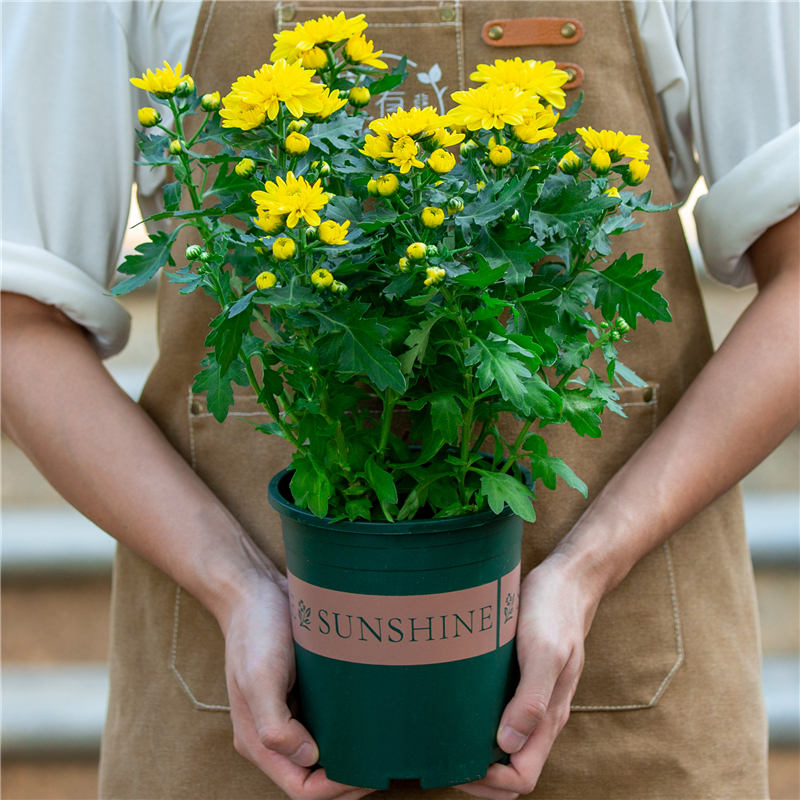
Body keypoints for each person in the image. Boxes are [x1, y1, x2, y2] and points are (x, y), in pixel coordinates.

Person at [2, 1, 798, 798]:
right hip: (242, 700)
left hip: (630, 689)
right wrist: (235, 586)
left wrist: (587, 570)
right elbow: (16, 323)